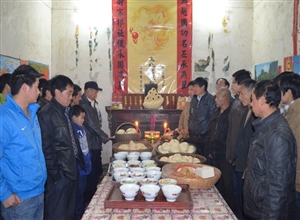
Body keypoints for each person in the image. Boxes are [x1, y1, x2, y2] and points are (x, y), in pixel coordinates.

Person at [243, 80, 297, 219]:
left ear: (262, 100)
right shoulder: (265, 127)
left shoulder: (278, 135)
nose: (250, 104)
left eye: (252, 99)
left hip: (265, 213)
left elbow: (278, 188)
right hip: (256, 208)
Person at [0, 65, 47, 220]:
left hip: (38, 191)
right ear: (25, 88)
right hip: (18, 199)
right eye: (37, 87)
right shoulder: (4, 117)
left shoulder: (33, 112)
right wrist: (4, 193)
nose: (39, 92)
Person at [39, 75, 85, 220]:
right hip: (60, 175)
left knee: (69, 213)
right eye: (69, 93)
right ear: (57, 92)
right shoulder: (46, 114)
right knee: (58, 214)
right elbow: (46, 148)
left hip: (71, 170)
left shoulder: (66, 111)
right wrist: (56, 175)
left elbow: (71, 140)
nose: (71, 97)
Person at [79, 81, 110, 205]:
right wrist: (106, 137)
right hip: (90, 143)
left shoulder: (90, 103)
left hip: (95, 142)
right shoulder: (83, 104)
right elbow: (92, 125)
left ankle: (92, 195)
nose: (96, 94)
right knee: (93, 172)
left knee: (96, 170)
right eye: (95, 91)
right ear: (89, 90)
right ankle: (89, 199)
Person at [231, 78, 256, 219]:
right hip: (238, 163)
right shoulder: (246, 111)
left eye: (242, 94)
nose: (239, 98)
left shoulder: (257, 116)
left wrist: (247, 166)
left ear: (252, 92)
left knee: (244, 201)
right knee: (237, 198)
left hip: (247, 167)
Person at [207, 88, 234, 211]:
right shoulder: (215, 113)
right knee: (215, 184)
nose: (215, 100)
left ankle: (228, 210)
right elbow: (211, 132)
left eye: (217, 97)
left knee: (227, 185)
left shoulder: (233, 114)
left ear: (225, 99)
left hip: (225, 155)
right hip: (214, 154)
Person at [278, 73, 300, 219]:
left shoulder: (297, 113)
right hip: (287, 176)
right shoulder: (285, 109)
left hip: (295, 178)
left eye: (278, 89)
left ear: (289, 92)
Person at [71, 105, 92, 220]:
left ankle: (81, 212)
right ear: (74, 117)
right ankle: (79, 216)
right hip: (80, 169)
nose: (83, 120)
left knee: (82, 193)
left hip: (85, 167)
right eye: (81, 118)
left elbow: (86, 148)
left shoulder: (81, 129)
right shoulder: (73, 130)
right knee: (78, 195)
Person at [188, 77, 216, 156]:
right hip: (193, 136)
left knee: (204, 159)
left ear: (203, 87)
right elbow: (190, 116)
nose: (194, 89)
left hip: (204, 136)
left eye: (196, 86)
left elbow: (213, 118)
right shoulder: (194, 100)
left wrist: (207, 132)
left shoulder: (211, 100)